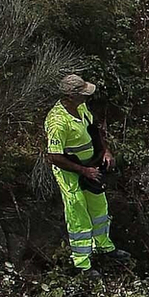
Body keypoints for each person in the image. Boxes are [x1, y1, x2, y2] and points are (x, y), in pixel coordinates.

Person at [44, 74, 114, 271]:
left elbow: (94, 130)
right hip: (71, 172)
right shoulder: (57, 122)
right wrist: (83, 171)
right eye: (82, 94)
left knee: (99, 207)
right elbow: (54, 156)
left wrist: (105, 151)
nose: (86, 97)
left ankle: (103, 247)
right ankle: (82, 263)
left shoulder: (81, 108)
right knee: (78, 213)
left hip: (91, 167)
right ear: (70, 96)